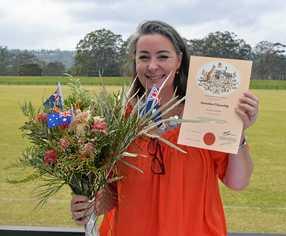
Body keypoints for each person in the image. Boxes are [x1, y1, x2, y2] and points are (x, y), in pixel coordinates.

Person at [70, 20, 259, 236]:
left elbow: (237, 182)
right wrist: (89, 204)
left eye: (162, 56)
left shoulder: (204, 112)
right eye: (143, 57)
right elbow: (112, 191)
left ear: (178, 60)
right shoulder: (117, 118)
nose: (152, 66)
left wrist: (239, 132)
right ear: (135, 62)